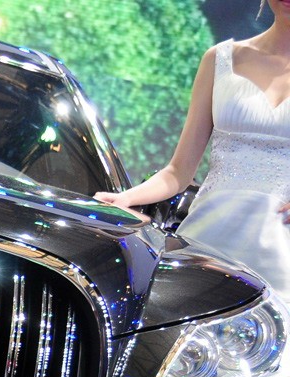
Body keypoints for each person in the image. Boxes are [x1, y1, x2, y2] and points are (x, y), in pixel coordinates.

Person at [95, 0, 290, 298]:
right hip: (210, 238)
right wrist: (125, 198)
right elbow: (179, 171)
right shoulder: (220, 60)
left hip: (282, 247)